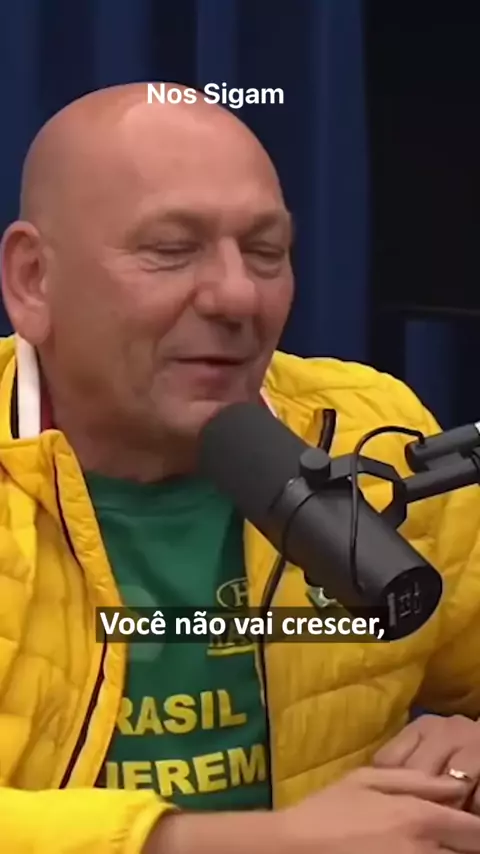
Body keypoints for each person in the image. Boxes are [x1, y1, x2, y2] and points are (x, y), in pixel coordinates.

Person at [1, 82, 480, 854]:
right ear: (33, 279)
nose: (237, 297)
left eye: (265, 253)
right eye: (171, 250)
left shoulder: (372, 431)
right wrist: (245, 842)